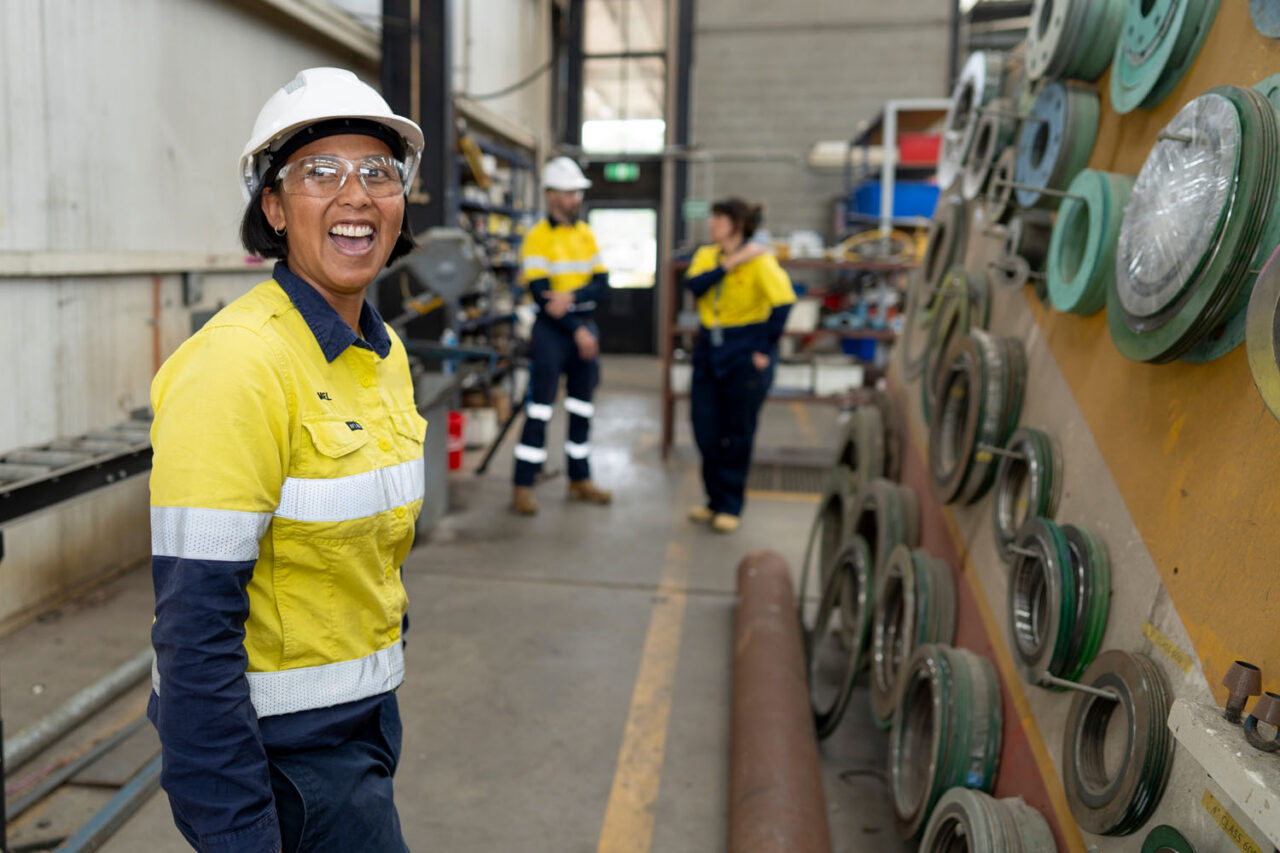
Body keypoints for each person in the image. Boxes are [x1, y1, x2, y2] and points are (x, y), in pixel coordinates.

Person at [148, 67, 425, 853]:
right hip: (285, 767)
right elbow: (194, 639)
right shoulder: (238, 365)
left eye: (379, 171)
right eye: (320, 173)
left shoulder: (382, 351)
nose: (357, 194)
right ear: (273, 206)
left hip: (362, 733)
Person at [684, 198, 796, 533]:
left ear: (736, 223)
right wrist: (731, 263)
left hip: (744, 349)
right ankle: (713, 499)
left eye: (718, 219)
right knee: (705, 428)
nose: (711, 225)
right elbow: (695, 285)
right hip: (709, 347)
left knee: (738, 431)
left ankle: (730, 504)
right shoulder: (707, 255)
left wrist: (764, 348)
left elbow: (783, 303)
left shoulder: (761, 261)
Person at [511, 156, 613, 515]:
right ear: (552, 195)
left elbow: (603, 285)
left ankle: (579, 479)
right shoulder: (538, 238)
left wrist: (571, 298)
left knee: (582, 407)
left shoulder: (585, 234)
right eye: (570, 193)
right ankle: (523, 485)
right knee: (539, 409)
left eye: (577, 193)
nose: (576, 199)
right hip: (552, 333)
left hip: (581, 326)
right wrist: (578, 327)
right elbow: (542, 296)